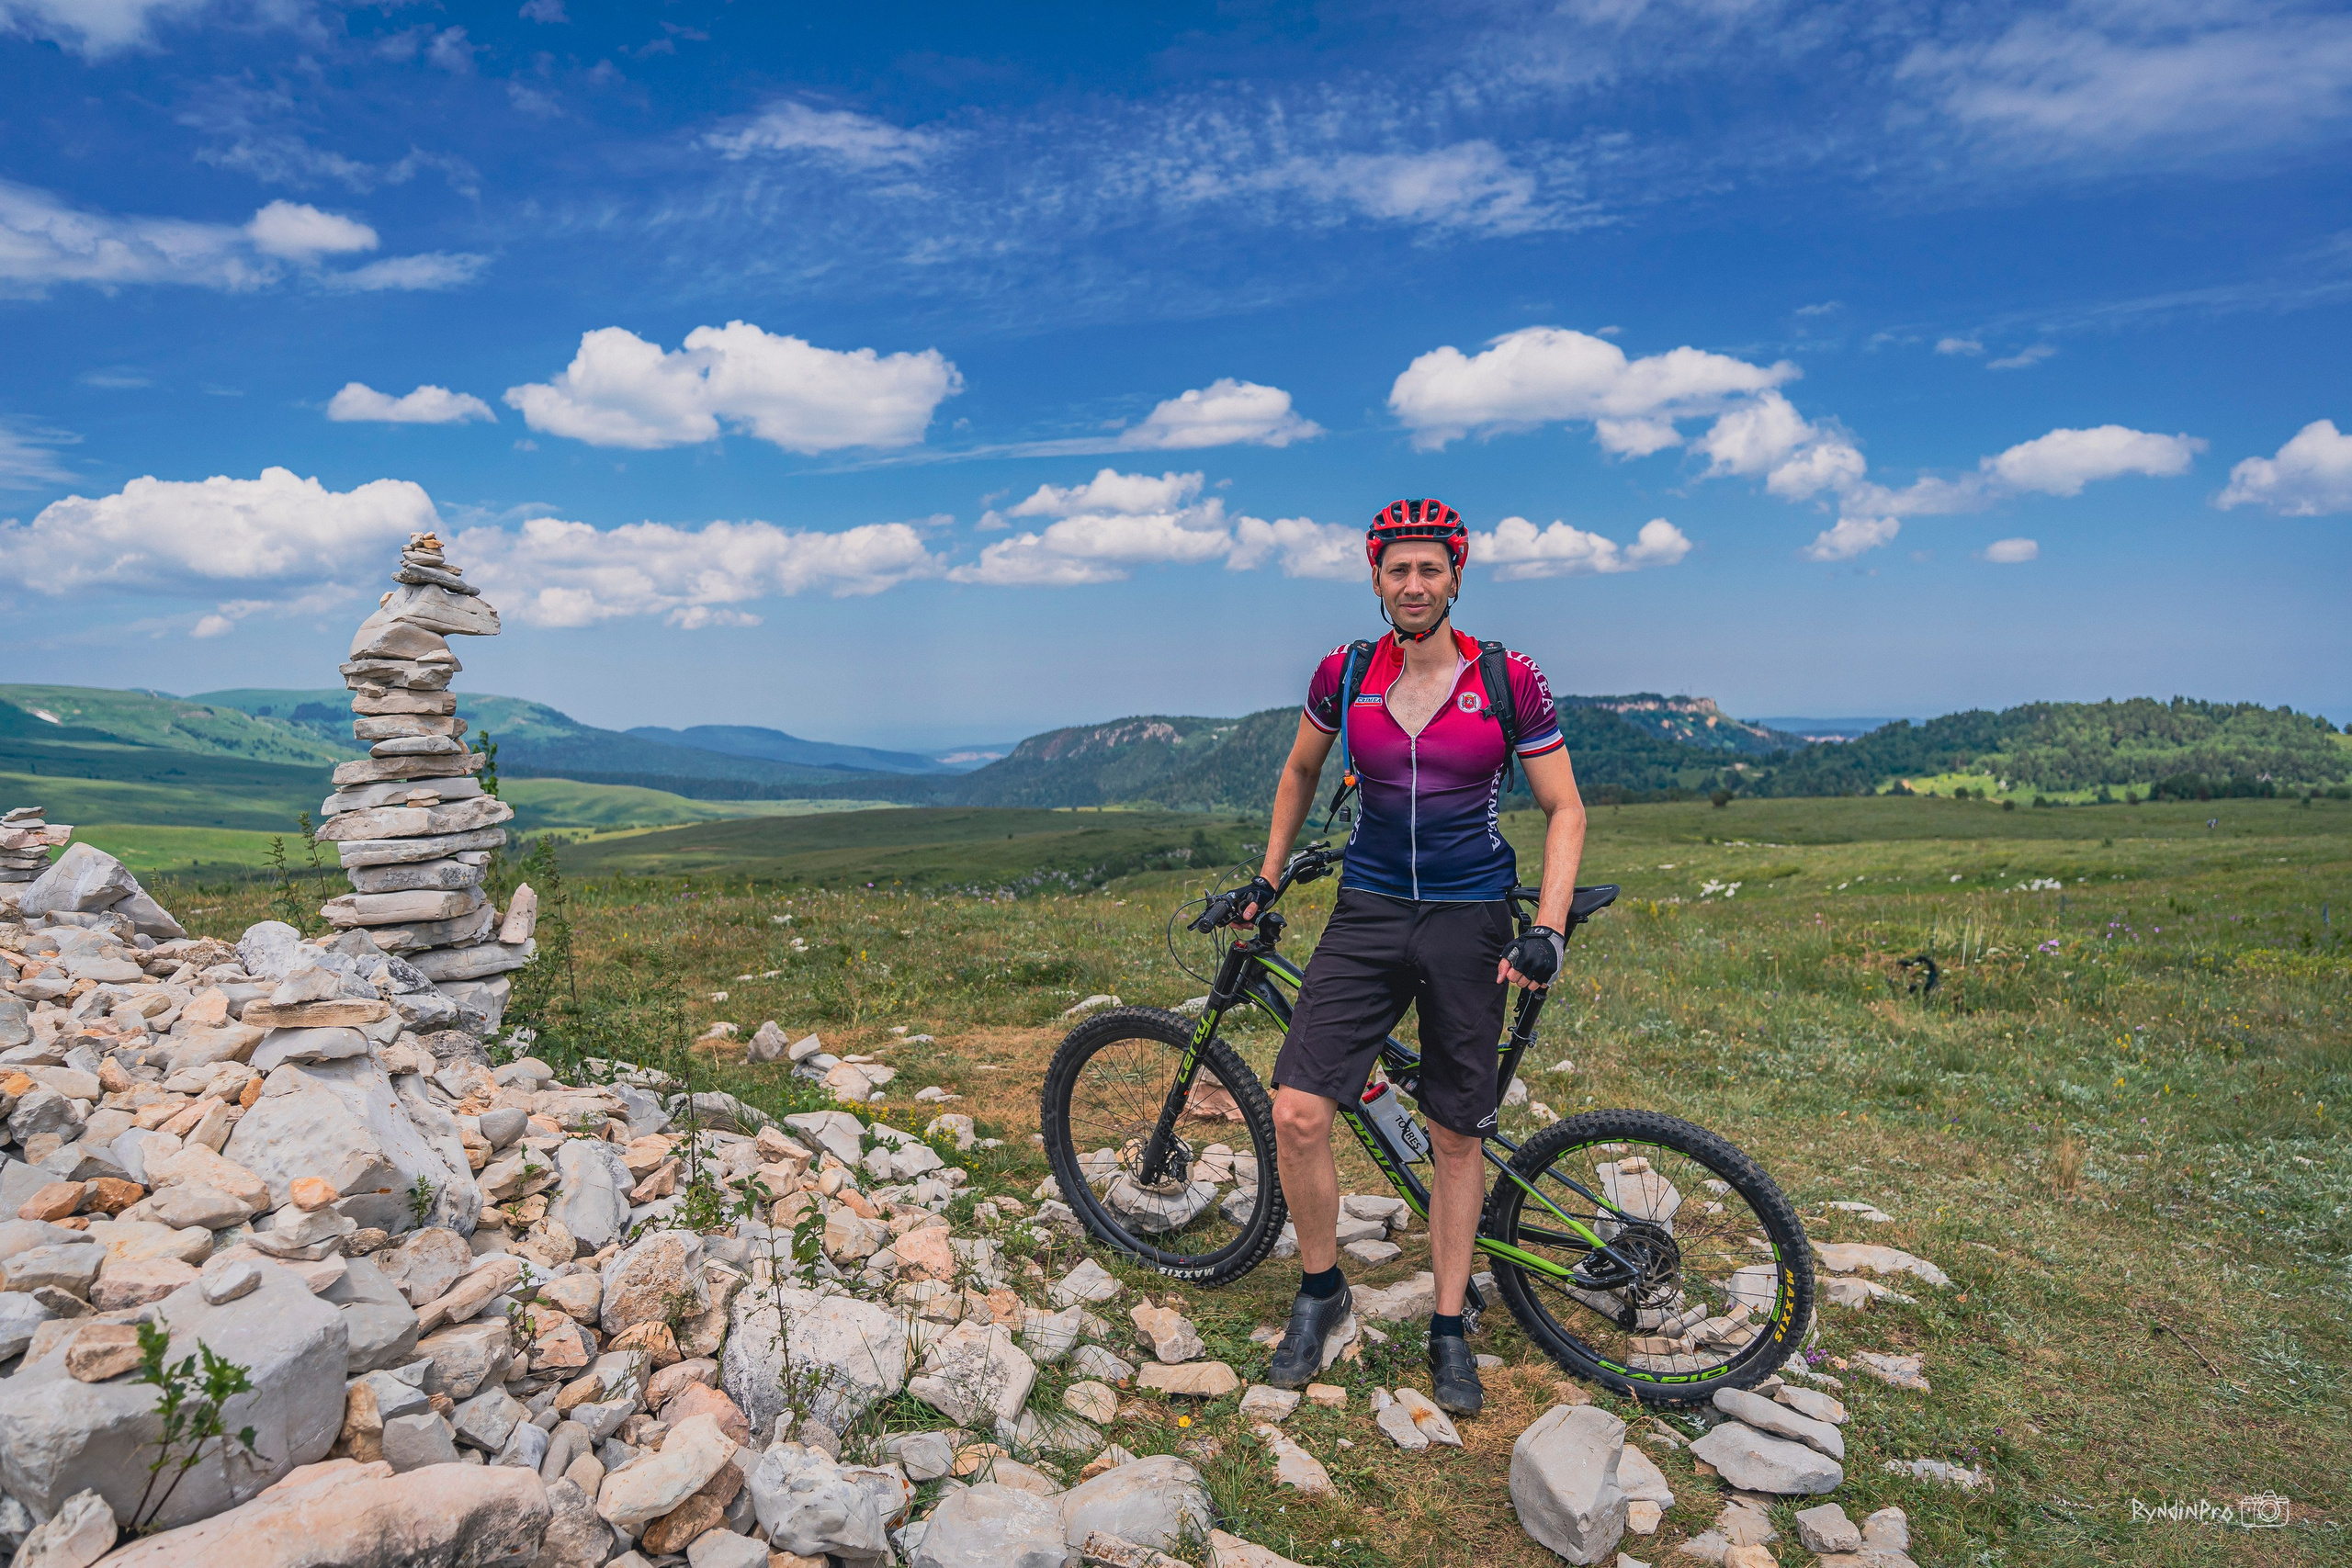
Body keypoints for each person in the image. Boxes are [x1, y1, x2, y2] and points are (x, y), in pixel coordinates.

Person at [1237, 497, 1588, 1416]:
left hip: (1471, 918)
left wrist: (1544, 927)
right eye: (1398, 568)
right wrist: (1268, 878)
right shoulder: (1344, 673)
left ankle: (1446, 1326)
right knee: (1299, 1109)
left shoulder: (1505, 677)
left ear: (1456, 576)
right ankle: (1321, 1294)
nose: (1414, 583)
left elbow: (1564, 808)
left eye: (1430, 567)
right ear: (1376, 578)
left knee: (1454, 1133)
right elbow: (1299, 770)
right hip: (1368, 911)